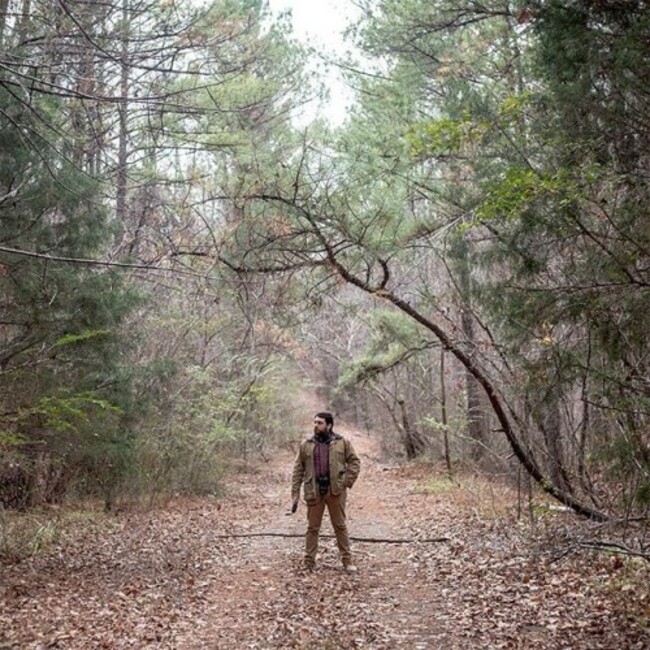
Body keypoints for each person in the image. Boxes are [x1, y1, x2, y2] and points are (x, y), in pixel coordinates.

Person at [291, 411, 361, 572]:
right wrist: (295, 494)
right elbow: (298, 469)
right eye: (315, 422)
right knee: (312, 527)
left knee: (340, 526)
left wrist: (345, 482)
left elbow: (355, 462)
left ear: (329, 425)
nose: (316, 425)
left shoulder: (342, 442)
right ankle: (309, 562)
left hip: (335, 491)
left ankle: (347, 561)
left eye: (320, 423)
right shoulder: (306, 444)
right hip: (314, 491)